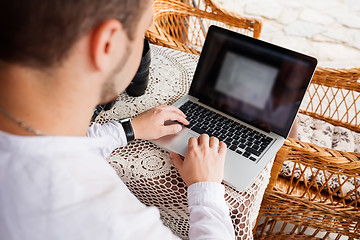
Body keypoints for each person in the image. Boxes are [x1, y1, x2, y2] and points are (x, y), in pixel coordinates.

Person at [0, 0, 235, 239]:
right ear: (107, 45)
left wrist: (128, 129)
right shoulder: (111, 223)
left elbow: (60, 143)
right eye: (143, 32)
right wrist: (206, 189)